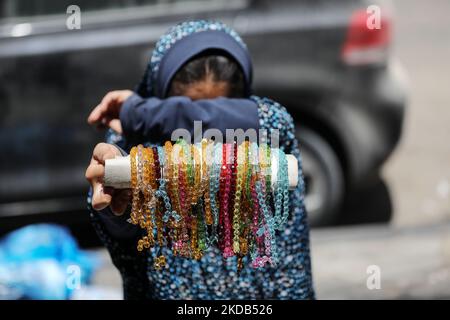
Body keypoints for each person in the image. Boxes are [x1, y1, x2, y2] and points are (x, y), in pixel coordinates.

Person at [85, 20, 314, 299]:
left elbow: (271, 119)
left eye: (221, 111)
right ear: (160, 92)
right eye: (186, 109)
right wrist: (116, 203)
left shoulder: (269, 142)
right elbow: (120, 225)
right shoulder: (133, 144)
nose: (204, 143)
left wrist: (143, 112)